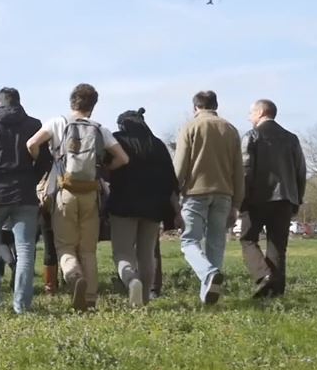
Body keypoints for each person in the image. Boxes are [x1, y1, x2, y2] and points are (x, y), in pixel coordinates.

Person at [26, 83, 129, 312]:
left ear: (72, 101)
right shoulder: (100, 129)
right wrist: (104, 168)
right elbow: (123, 159)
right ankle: (90, 298)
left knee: (65, 246)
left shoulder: (57, 123)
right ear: (93, 106)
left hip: (64, 192)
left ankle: (74, 278)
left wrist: (42, 161)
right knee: (88, 250)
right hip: (90, 193)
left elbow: (31, 143)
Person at [0, 87, 52, 314]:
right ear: (18, 101)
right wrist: (32, 178)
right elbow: (45, 159)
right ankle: (22, 304)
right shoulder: (34, 125)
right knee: (25, 249)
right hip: (25, 193)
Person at [173, 89, 245, 305]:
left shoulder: (190, 127)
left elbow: (180, 165)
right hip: (224, 193)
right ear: (216, 106)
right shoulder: (230, 129)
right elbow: (238, 170)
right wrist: (237, 203)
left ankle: (209, 273)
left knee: (189, 241)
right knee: (216, 243)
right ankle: (209, 295)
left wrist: (173, 192)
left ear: (195, 107)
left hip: (196, 192)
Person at [107, 108, 178, 307]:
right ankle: (145, 299)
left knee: (122, 253)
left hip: (123, 206)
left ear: (122, 125)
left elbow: (106, 169)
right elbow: (171, 181)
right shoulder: (158, 145)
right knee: (146, 255)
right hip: (153, 208)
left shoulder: (117, 140)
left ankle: (132, 281)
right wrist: (175, 210)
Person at [240, 98, 306, 298]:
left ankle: (263, 275)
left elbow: (245, 169)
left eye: (251, 113)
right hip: (285, 198)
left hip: (257, 198)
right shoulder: (291, 138)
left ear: (260, 112)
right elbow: (300, 171)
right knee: (278, 245)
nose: (249, 117)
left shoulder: (252, 136)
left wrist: (242, 198)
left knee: (248, 239)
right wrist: (297, 198)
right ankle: (275, 291)